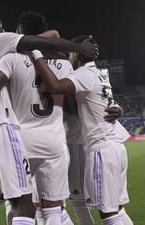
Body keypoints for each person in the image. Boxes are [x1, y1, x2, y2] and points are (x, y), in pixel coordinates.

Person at [0, 13, 98, 225]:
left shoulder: (5, 59)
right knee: (52, 208)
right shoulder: (64, 64)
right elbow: (71, 105)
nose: (3, 29)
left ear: (19, 33)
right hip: (53, 140)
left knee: (12, 204)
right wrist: (79, 49)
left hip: (18, 137)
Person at [30, 35, 133, 225]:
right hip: (114, 146)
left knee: (108, 214)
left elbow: (55, 88)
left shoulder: (82, 74)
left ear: (76, 53)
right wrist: (119, 108)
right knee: (116, 210)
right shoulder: (100, 73)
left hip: (101, 148)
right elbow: (86, 105)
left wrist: (36, 54)